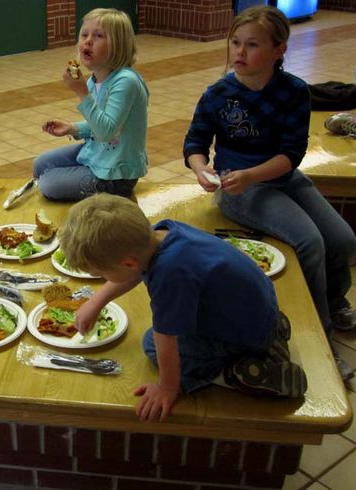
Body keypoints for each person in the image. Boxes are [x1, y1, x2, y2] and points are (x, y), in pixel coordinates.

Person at [183, 6, 356, 379]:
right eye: (235, 43)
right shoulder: (219, 93)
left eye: (252, 45)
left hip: (279, 176)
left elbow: (291, 155)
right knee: (309, 242)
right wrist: (201, 168)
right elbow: (195, 143)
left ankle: (336, 301)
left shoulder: (293, 91)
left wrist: (252, 174)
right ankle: (323, 340)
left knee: (343, 239)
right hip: (237, 188)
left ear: (279, 50)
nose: (240, 53)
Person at [59, 194, 307, 422]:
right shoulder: (160, 233)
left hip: (243, 333)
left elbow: (165, 336)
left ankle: (242, 371)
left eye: (102, 273)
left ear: (127, 262)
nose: (103, 278)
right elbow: (135, 272)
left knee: (150, 344)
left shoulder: (171, 273)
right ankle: (272, 335)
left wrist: (168, 387)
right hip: (260, 308)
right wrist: (97, 301)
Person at [33, 8, 148, 201]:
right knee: (41, 164)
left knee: (48, 183)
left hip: (116, 174)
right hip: (97, 155)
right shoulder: (94, 80)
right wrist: (73, 128)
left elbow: (107, 131)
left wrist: (81, 93)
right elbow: (100, 124)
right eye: (84, 34)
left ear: (118, 46)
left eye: (99, 36)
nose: (88, 41)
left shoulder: (126, 82)